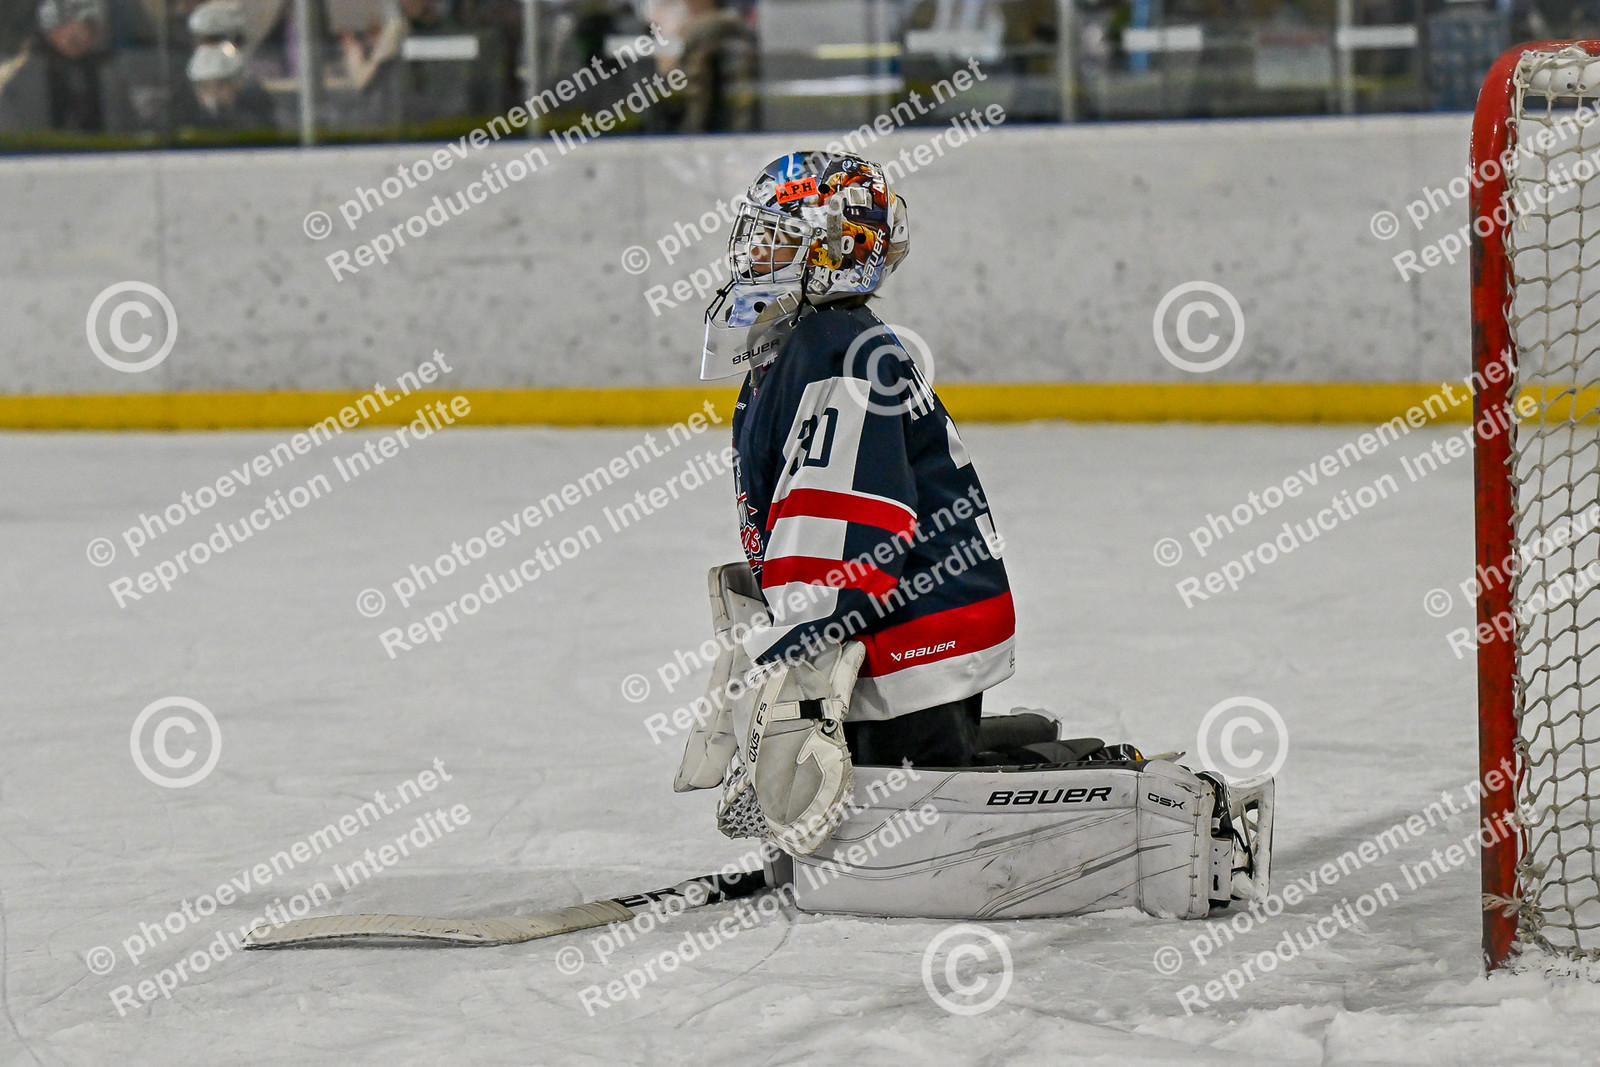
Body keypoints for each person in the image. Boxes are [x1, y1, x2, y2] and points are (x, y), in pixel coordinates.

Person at [674, 151, 1016, 852]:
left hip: (920, 635)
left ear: (835, 253)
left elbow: (849, 521)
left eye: (778, 237)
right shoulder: (802, 344)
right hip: (909, 618)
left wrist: (797, 660)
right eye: (755, 234)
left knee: (902, 844)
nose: (754, 253)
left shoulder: (834, 348)